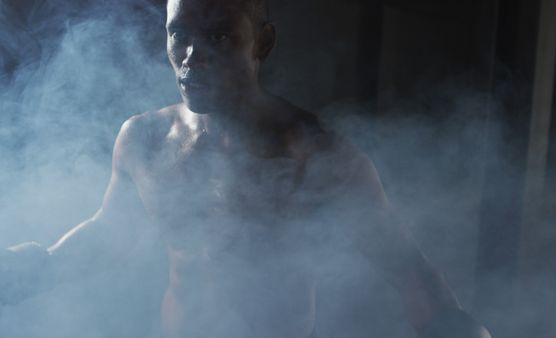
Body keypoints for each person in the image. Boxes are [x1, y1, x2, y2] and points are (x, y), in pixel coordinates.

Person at [1, 0, 491, 337]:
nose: (193, 57)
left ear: (263, 42)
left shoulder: (318, 155)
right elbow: (108, 234)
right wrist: (35, 265)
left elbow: (409, 272)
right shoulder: (145, 140)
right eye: (179, 34)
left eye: (219, 36)